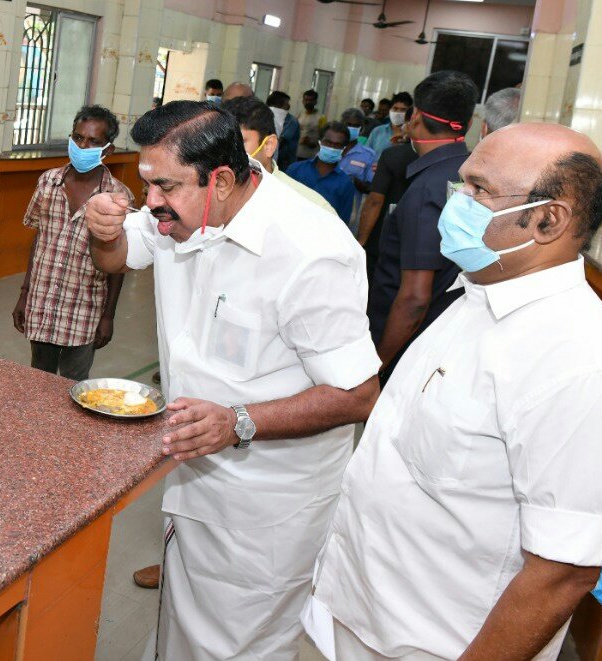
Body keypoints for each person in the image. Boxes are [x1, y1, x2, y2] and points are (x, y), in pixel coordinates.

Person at [305, 122, 602, 661]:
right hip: (362, 613)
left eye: (479, 190)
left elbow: (560, 573)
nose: (455, 201)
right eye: (461, 185)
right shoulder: (475, 294)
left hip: (439, 644)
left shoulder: (583, 367)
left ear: (548, 220)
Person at [83, 101, 380, 659]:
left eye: (164, 187)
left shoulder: (311, 251)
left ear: (220, 180)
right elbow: (118, 255)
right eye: (145, 184)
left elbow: (359, 394)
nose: (150, 204)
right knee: (182, 627)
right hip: (193, 473)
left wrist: (238, 421)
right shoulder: (180, 210)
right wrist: (104, 233)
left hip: (266, 505)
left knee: (239, 646)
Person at [368, 71, 478, 380]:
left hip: (406, 345)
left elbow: (415, 299)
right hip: (445, 335)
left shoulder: (425, 189)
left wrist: (378, 365)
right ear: (468, 125)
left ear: (415, 118)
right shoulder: (468, 176)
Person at [13, 105, 131, 381]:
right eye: (78, 138)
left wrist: (108, 315)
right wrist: (24, 293)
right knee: (38, 380)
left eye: (93, 142)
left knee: (72, 387)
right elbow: (39, 239)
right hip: (43, 302)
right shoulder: (48, 182)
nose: (83, 146)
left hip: (84, 309)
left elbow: (118, 263)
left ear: (107, 150)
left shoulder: (117, 197)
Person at [222, 95, 337, 217]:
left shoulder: (312, 207)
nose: (227, 151)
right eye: (221, 143)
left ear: (268, 145)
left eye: (239, 142)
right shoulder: (209, 192)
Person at [356, 142, 418, 277]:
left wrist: (361, 241)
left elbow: (375, 201)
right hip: (420, 247)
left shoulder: (393, 155)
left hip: (383, 236)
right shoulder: (457, 161)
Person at [286, 122, 357, 221]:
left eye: (337, 145)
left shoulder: (345, 184)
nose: (332, 147)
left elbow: (342, 223)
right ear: (320, 143)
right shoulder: (295, 170)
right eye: (328, 142)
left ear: (344, 149)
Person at [336, 108, 377, 234]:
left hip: (350, 211)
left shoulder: (368, 155)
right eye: (348, 124)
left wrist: (354, 181)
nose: (351, 128)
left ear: (362, 128)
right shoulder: (331, 147)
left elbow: (371, 187)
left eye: (356, 126)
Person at [366, 92, 412, 157]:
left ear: (409, 113)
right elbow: (366, 154)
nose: (398, 113)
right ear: (390, 109)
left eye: (403, 110)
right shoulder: (377, 131)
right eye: (395, 108)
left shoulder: (412, 135)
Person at [267, 91, 300, 171]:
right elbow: (281, 140)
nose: (289, 106)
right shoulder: (291, 120)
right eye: (287, 103)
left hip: (281, 161)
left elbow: (283, 140)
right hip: (281, 162)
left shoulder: (290, 121)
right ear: (280, 104)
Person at [296, 89, 326, 161]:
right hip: (297, 153)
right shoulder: (299, 116)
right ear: (303, 101)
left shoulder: (321, 118)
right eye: (306, 100)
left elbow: (324, 138)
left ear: (315, 102)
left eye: (311, 100)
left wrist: (312, 143)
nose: (308, 102)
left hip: (312, 155)